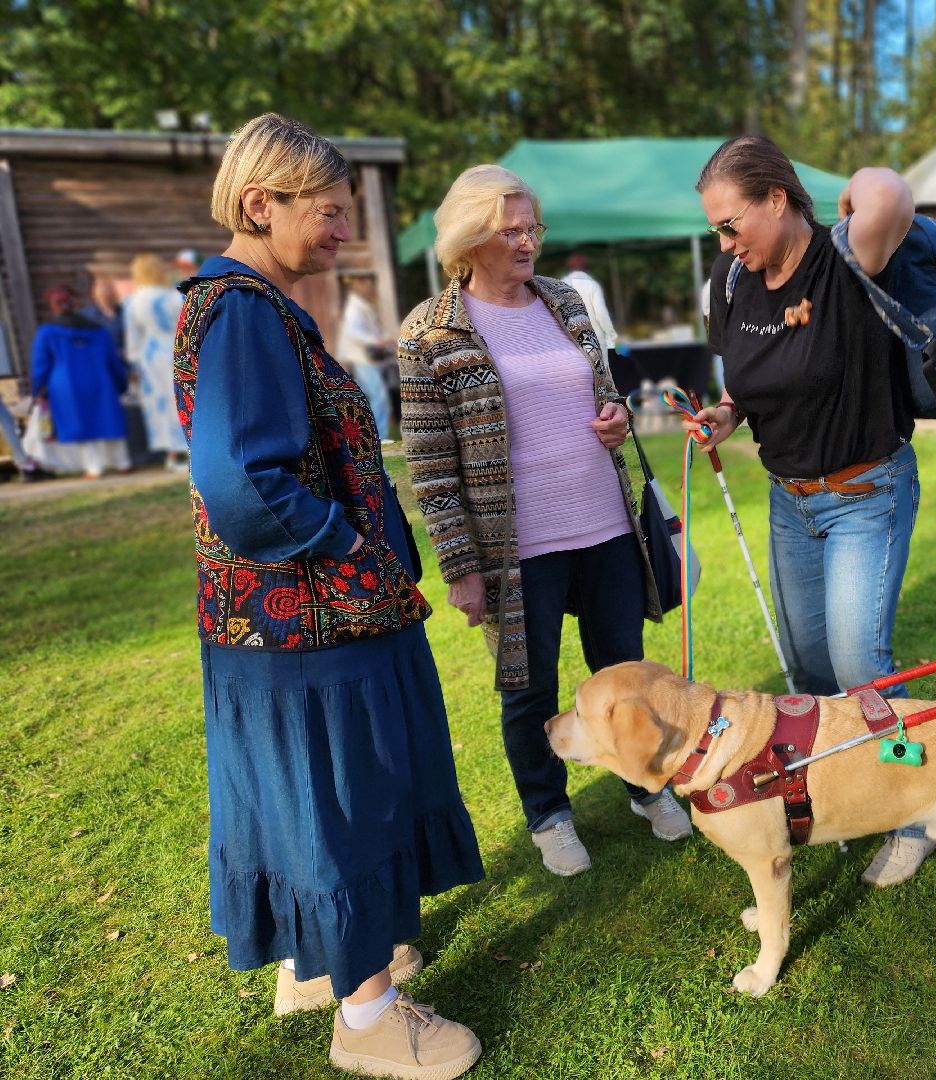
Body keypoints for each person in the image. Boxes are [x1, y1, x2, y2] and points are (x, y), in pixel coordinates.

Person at [176, 113, 484, 1080]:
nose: (344, 229)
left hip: (292, 626)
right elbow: (240, 481)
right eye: (329, 210)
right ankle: (368, 1019)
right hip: (307, 626)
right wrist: (349, 547)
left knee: (311, 804)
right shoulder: (242, 312)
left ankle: (323, 964)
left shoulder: (264, 306)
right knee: (339, 800)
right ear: (259, 202)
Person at [398, 164, 692, 878]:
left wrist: (617, 417)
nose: (529, 241)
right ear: (471, 239)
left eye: (534, 227)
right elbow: (430, 468)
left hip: (606, 528)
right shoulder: (429, 333)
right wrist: (461, 570)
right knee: (530, 690)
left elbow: (600, 394)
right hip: (515, 550)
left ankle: (644, 786)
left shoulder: (563, 301)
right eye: (513, 230)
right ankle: (549, 815)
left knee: (623, 673)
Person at [686, 135, 936, 889]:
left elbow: (887, 191)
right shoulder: (732, 282)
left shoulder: (849, 258)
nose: (726, 244)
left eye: (734, 223)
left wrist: (844, 199)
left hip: (866, 493)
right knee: (811, 670)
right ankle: (851, 793)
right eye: (716, 232)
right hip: (790, 502)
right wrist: (726, 417)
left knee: (862, 667)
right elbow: (746, 384)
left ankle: (917, 812)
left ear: (778, 199)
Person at [30, 284, 131, 478]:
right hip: (101, 381)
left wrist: (38, 387)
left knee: (82, 423)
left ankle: (94, 467)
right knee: (108, 418)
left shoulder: (47, 332)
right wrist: (121, 383)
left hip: (65, 386)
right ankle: (123, 462)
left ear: (53, 305)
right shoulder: (99, 330)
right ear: (74, 302)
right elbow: (113, 360)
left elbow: (40, 363)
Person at [123, 253, 188, 469]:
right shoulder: (176, 295)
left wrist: (134, 361)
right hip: (178, 349)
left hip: (151, 355)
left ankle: (171, 455)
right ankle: (190, 449)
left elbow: (133, 337)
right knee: (184, 399)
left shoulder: (133, 301)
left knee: (159, 404)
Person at [335, 273, 395, 441]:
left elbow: (371, 330)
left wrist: (386, 338)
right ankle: (380, 437)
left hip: (364, 358)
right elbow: (354, 332)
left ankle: (363, 435)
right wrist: (376, 340)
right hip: (362, 357)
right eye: (367, 284)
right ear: (359, 284)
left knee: (361, 397)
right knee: (379, 395)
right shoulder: (354, 307)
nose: (370, 287)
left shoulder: (363, 306)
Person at [561, 251, 618, 352]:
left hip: (570, 342)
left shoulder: (560, 285)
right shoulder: (592, 285)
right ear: (587, 267)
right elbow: (601, 314)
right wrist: (612, 335)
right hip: (594, 342)